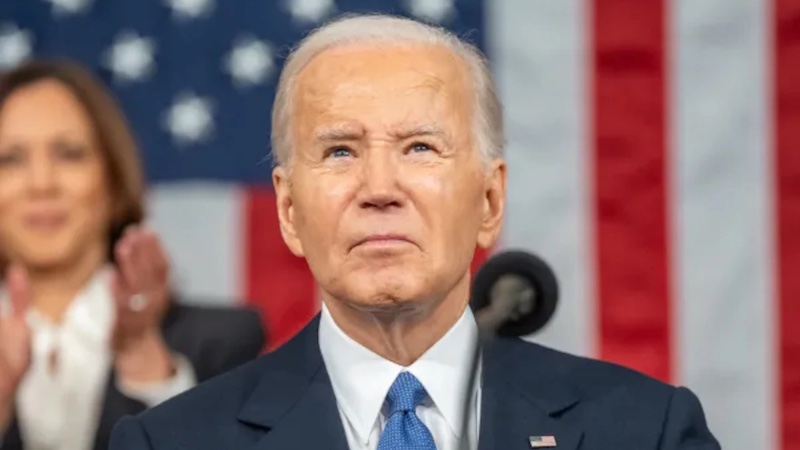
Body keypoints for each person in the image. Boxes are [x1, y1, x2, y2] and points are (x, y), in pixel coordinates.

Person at [108, 13, 720, 450]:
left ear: (489, 199)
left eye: (420, 147)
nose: (379, 187)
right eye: (341, 151)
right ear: (289, 212)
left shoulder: (646, 430)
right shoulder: (169, 441)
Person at [0, 60, 266, 450]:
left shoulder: (225, 346)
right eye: (10, 159)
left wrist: (145, 362)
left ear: (112, 180)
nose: (42, 183)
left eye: (69, 154)